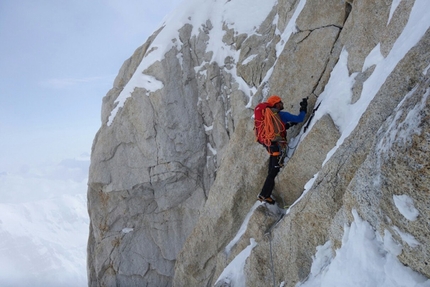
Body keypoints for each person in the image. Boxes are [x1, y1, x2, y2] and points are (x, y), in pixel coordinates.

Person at [257, 95, 307, 204]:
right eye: (280, 102)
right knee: (273, 171)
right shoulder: (282, 115)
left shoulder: (268, 117)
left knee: (271, 170)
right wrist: (304, 108)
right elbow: (300, 118)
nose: (282, 104)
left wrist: (288, 125)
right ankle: (263, 194)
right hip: (277, 147)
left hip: (270, 145)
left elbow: (279, 128)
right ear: (276, 104)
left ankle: (266, 194)